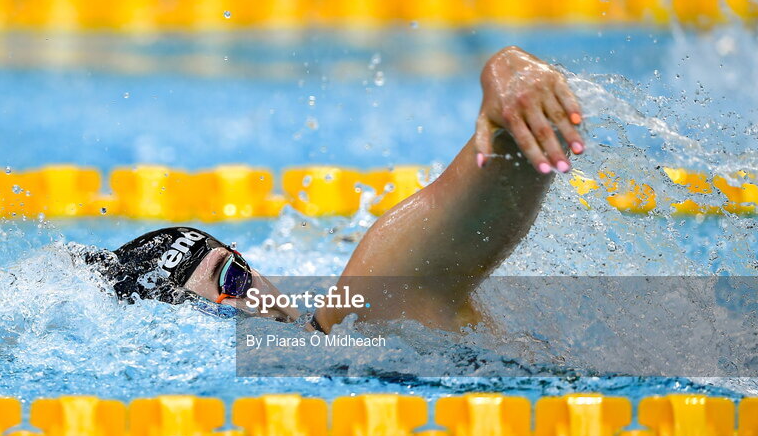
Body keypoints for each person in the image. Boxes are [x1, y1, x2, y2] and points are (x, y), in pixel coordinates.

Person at [72, 46, 585, 333]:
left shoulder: (353, 319)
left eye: (234, 275)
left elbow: (505, 159)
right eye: (201, 306)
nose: (240, 304)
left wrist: (505, 74)